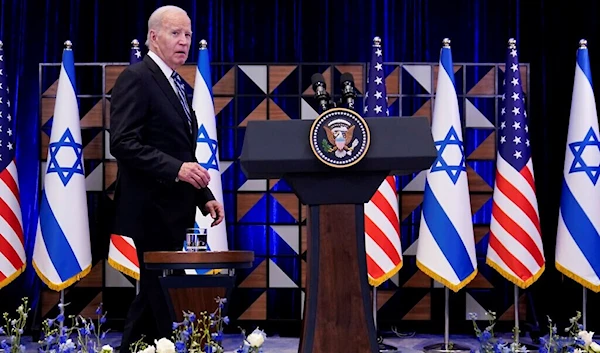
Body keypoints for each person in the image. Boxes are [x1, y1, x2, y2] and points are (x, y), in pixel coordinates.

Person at [109, 5, 224, 350]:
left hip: (173, 212)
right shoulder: (137, 78)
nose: (184, 41)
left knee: (156, 295)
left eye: (188, 34)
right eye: (176, 33)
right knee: (159, 294)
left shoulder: (177, 84)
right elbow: (123, 142)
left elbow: (182, 152)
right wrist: (176, 170)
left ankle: (145, 347)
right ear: (153, 37)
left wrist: (205, 196)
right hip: (149, 210)